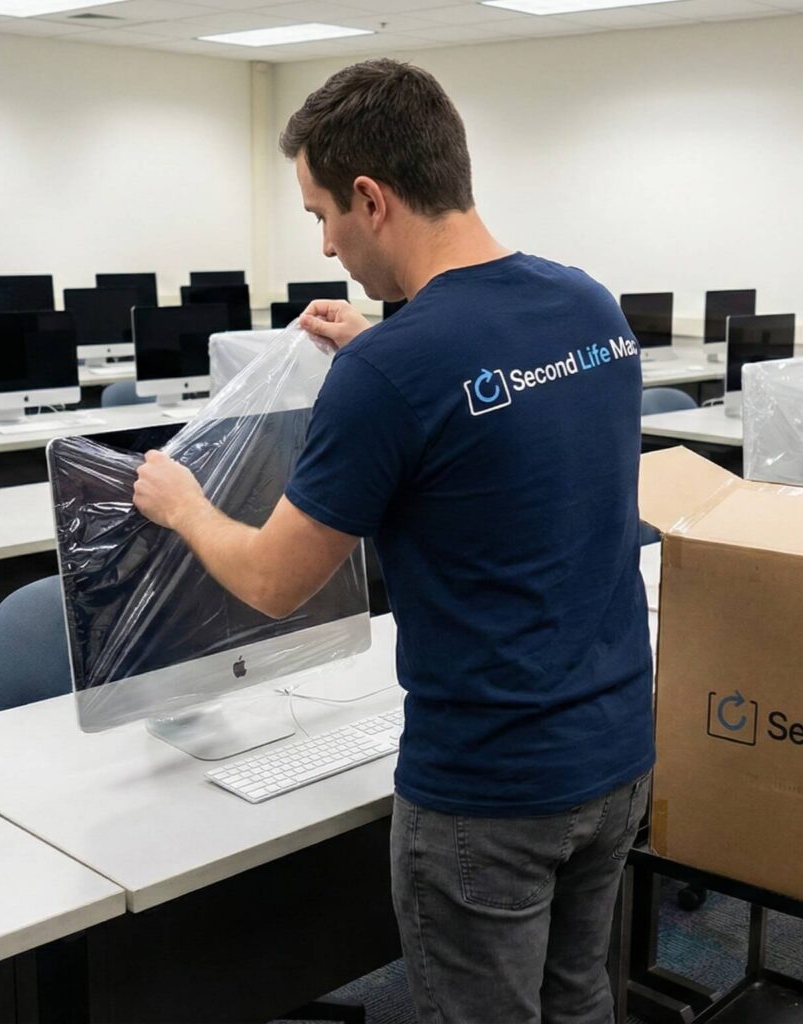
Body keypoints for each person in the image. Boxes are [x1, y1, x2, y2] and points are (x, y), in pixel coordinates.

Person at [133, 58, 654, 1024]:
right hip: (616, 753)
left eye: (321, 213)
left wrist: (184, 504)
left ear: (371, 198)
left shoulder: (393, 371)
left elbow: (275, 580)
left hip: (489, 790)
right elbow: (489, 407)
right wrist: (377, 341)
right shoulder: (589, 305)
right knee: (581, 1000)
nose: (325, 242)